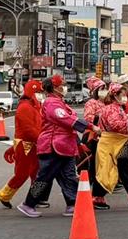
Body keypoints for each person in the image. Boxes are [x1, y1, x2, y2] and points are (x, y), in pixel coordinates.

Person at [17, 75, 93, 218]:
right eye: (62, 85)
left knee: (69, 176)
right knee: (44, 177)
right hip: (53, 146)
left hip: (64, 145)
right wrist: (90, 126)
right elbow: (65, 119)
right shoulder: (52, 103)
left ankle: (72, 204)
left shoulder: (59, 102)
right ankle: (28, 204)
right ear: (54, 88)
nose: (64, 87)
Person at [0, 79, 44, 209]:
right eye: (38, 92)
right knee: (22, 174)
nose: (40, 95)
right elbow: (28, 130)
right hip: (26, 145)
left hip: (33, 144)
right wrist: (42, 140)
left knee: (37, 173)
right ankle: (3, 195)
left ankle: (35, 198)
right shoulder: (25, 107)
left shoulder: (34, 107)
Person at [82, 76, 112, 208]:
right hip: (92, 138)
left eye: (105, 88)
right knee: (92, 167)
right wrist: (101, 118)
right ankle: (89, 195)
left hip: (105, 138)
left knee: (103, 167)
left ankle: (98, 195)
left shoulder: (108, 104)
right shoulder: (91, 103)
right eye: (101, 89)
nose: (104, 91)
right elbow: (88, 119)